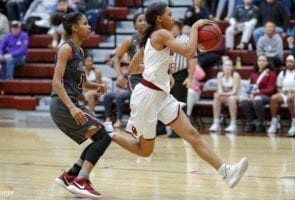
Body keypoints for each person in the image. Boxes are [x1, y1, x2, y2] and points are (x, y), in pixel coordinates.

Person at [106, 2, 248, 189]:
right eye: (170, 14)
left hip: (162, 96)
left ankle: (226, 172)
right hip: (147, 96)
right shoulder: (161, 34)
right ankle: (107, 134)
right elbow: (189, 52)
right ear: (159, 18)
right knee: (145, 151)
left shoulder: (150, 37)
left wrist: (160, 67)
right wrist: (196, 27)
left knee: (192, 134)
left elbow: (133, 68)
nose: (173, 18)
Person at [49, 12, 113, 199]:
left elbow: (83, 83)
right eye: (85, 24)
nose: (89, 27)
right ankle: (81, 180)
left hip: (70, 103)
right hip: (63, 104)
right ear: (75, 28)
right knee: (104, 136)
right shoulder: (66, 49)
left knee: (100, 136)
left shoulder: (81, 50)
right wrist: (71, 107)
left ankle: (70, 175)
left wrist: (97, 86)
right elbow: (56, 82)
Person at [240, 55, 277, 133]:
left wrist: (256, 95)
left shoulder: (271, 73)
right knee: (244, 100)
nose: (261, 62)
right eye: (259, 60)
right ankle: (251, 123)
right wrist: (249, 95)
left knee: (257, 100)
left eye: (263, 61)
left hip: (267, 96)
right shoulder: (253, 73)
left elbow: (270, 89)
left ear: (267, 62)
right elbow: (251, 86)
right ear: (257, 62)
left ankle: (261, 124)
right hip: (255, 95)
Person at [113, 13, 147, 92]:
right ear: (135, 25)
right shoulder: (129, 40)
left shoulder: (155, 39)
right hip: (136, 78)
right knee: (139, 102)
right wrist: (119, 75)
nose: (143, 22)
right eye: (140, 20)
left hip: (152, 76)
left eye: (146, 20)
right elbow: (117, 57)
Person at [267, 55, 295, 136]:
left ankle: (294, 124)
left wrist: (294, 91)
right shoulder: (282, 73)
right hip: (284, 93)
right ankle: (274, 123)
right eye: (287, 62)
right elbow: (278, 87)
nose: (289, 64)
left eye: (291, 62)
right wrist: (283, 91)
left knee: (290, 98)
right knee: (273, 98)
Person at [209, 59, 241, 133]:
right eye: (226, 65)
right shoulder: (220, 75)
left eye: (229, 65)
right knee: (217, 97)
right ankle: (216, 123)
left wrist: (221, 94)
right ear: (223, 67)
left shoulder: (236, 75)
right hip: (227, 96)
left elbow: (234, 92)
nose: (227, 67)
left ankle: (233, 124)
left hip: (237, 96)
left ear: (232, 67)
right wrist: (220, 94)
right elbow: (220, 90)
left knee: (231, 99)